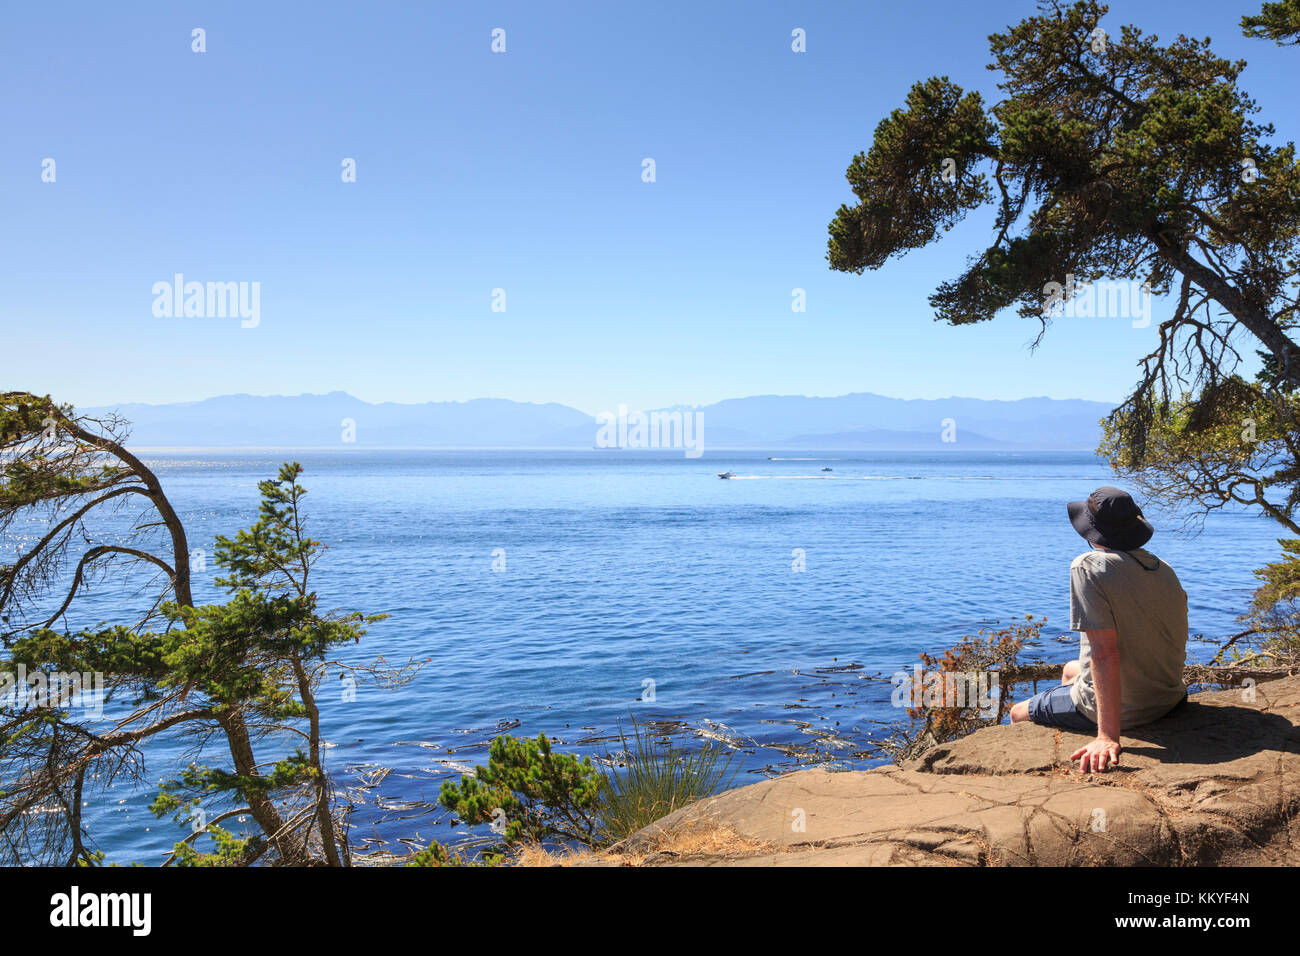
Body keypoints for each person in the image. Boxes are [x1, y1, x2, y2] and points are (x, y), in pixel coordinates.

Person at [1008, 486, 1189, 773]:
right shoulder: (1161, 567)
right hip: (1170, 698)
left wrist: (1106, 737)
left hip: (1132, 709)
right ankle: (1077, 711)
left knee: (1018, 712)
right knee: (1070, 670)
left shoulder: (1088, 567)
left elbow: (1104, 654)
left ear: (1093, 532)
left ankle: (1075, 726)